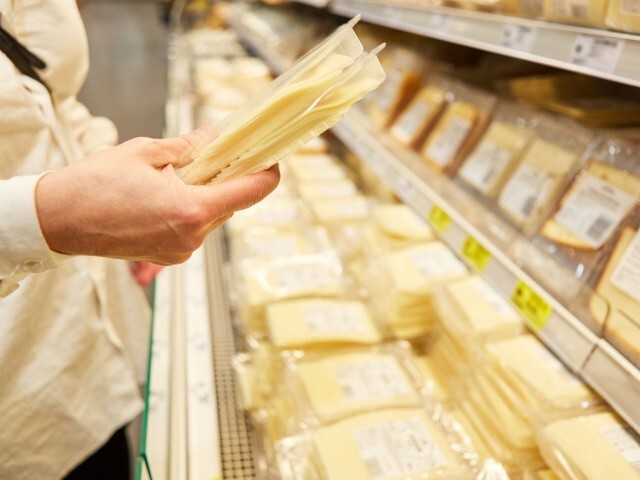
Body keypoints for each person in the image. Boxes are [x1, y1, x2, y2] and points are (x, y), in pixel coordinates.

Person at [0, 1, 280, 479]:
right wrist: (52, 218)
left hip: (86, 348)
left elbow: (51, 105)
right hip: (17, 396)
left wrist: (122, 200)